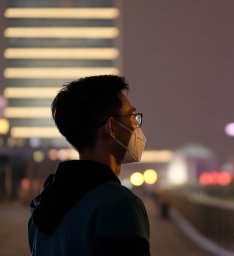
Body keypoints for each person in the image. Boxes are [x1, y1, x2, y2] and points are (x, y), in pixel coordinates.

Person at [28, 75, 151, 256]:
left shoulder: (41, 209)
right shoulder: (119, 204)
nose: (136, 126)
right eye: (132, 116)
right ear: (112, 127)